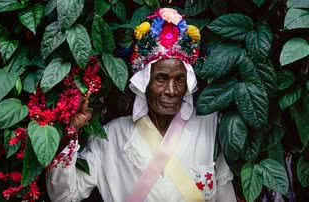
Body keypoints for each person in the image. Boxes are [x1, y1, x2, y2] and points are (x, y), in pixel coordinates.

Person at [46, 8, 236, 202]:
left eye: (179, 79)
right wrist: (70, 134)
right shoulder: (111, 137)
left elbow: (224, 192)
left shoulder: (210, 126)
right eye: (161, 78)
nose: (171, 90)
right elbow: (64, 196)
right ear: (144, 82)